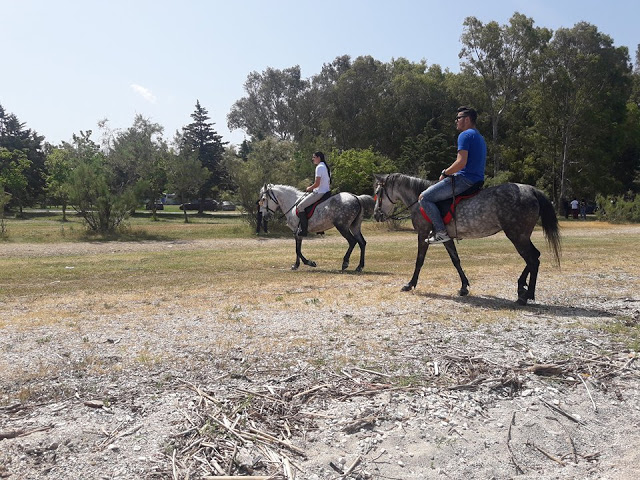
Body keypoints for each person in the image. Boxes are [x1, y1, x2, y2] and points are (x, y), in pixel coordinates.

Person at [419, 106, 487, 244]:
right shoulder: (479, 136)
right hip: (477, 180)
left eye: (458, 118)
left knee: (424, 198)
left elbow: (461, 162)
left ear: (467, 119)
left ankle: (441, 232)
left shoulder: (465, 135)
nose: (456, 121)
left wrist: (445, 172)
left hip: (465, 180)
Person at [296, 151, 331, 237]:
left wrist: (309, 188)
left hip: (320, 192)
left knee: (300, 207)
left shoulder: (319, 167)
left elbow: (317, 184)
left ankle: (304, 230)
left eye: (314, 157)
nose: (313, 159)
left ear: (318, 158)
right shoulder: (325, 167)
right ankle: (319, 229)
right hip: (326, 191)